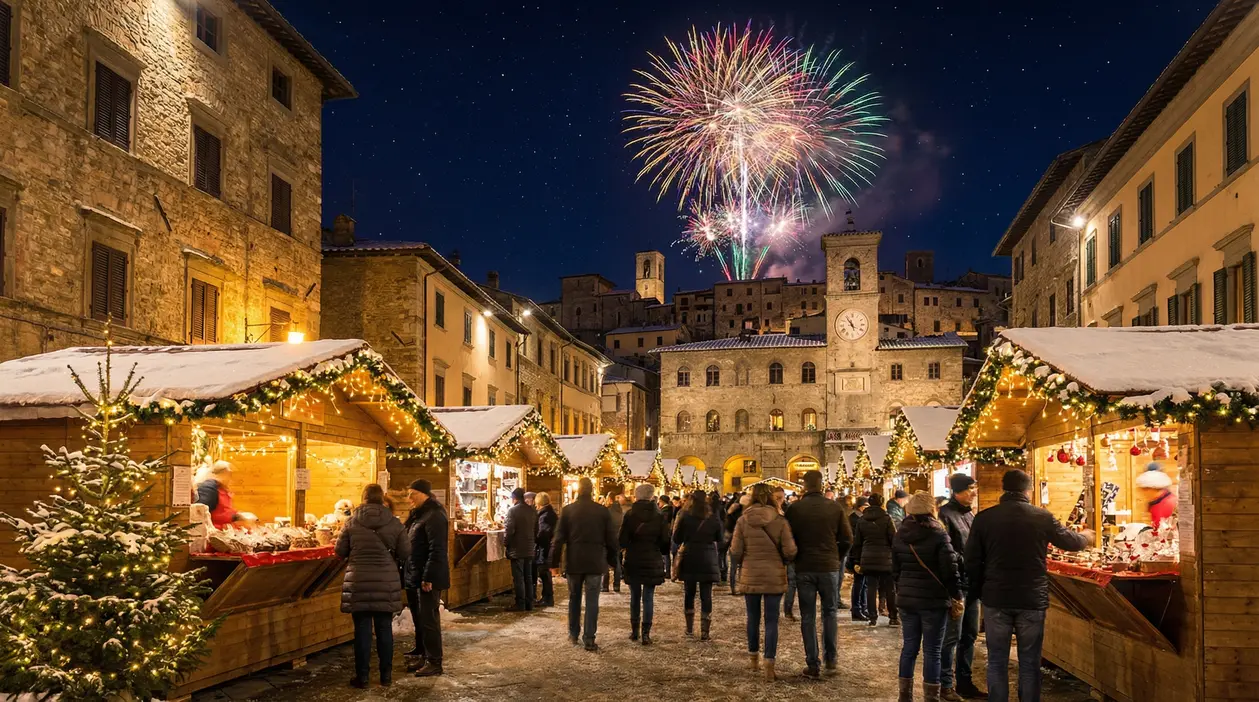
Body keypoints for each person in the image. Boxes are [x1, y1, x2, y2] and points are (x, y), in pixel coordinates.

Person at [967, 470, 1092, 702]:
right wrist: (1086, 536)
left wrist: (980, 590)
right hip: (1031, 598)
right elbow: (1071, 542)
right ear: (1028, 490)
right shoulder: (1041, 516)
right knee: (1029, 662)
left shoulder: (984, 518)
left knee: (996, 661)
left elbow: (972, 560)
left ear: (1004, 489)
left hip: (996, 598)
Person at [336, 484, 410, 688]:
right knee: (384, 629)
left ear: (364, 498)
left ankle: (362, 677)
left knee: (362, 631)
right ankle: (386, 677)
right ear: (382, 499)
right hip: (386, 582)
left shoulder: (351, 522)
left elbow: (340, 551)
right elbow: (405, 552)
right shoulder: (394, 523)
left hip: (358, 580)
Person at [893, 491, 962, 702]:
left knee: (909, 647)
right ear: (932, 509)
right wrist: (957, 595)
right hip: (933, 600)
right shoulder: (939, 534)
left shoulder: (900, 534)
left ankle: (904, 696)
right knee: (932, 650)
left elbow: (895, 569)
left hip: (907, 600)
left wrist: (902, 589)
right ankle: (931, 697)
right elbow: (950, 570)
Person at [784, 470, 852, 678]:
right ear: (821, 484)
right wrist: (836, 557)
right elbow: (847, 539)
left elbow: (787, 538)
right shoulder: (835, 507)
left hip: (804, 566)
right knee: (830, 613)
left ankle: (813, 664)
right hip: (828, 566)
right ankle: (831, 659)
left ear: (804, 485)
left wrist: (794, 558)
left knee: (808, 616)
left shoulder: (795, 509)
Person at [731, 483, 798, 682]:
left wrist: (744, 559)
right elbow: (790, 550)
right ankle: (769, 664)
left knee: (752, 617)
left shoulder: (743, 520)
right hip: (774, 575)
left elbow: (735, 551)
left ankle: (753, 659)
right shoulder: (780, 521)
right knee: (771, 620)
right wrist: (783, 558)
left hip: (751, 573)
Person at [550, 477, 617, 652]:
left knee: (574, 598)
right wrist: (612, 560)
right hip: (595, 560)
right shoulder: (602, 511)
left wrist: (553, 561)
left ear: (578, 490)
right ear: (592, 490)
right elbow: (611, 538)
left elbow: (558, 539)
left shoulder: (568, 510)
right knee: (592, 600)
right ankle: (589, 638)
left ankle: (573, 632)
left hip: (574, 560)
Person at [938, 474, 983, 700]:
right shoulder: (945, 515)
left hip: (973, 585)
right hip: (957, 586)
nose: (974, 492)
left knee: (970, 635)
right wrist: (967, 562)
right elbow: (947, 553)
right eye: (970, 488)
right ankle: (945, 684)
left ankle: (965, 682)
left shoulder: (970, 514)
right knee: (952, 637)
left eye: (974, 488)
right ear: (957, 491)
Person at [404, 479, 449, 678]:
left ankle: (434, 661)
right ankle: (423, 654)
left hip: (427, 576)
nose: (409, 498)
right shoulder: (419, 515)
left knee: (428, 619)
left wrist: (428, 576)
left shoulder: (435, 515)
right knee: (420, 617)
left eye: (412, 494)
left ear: (424, 494)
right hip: (415, 573)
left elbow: (437, 549)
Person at [620, 483, 670, 645]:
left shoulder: (630, 515)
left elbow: (622, 540)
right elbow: (665, 542)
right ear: (651, 496)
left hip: (634, 559)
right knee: (648, 597)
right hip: (652, 559)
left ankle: (634, 631)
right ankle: (646, 634)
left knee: (635, 596)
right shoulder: (659, 516)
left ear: (636, 496)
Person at [673, 488, 724, 641]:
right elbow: (719, 537)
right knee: (706, 595)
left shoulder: (685, 515)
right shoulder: (712, 516)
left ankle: (689, 628)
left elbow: (676, 538)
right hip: (707, 556)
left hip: (690, 555)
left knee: (689, 592)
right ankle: (705, 631)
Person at [852, 492, 898, 626]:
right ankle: (893, 617)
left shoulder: (862, 520)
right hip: (886, 559)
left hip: (868, 559)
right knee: (890, 589)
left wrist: (857, 561)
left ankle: (872, 617)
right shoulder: (887, 518)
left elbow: (857, 543)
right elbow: (893, 539)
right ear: (882, 503)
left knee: (871, 588)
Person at [504, 487, 538, 611]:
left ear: (514, 498)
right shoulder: (532, 511)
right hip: (529, 548)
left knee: (519, 577)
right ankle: (529, 603)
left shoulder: (512, 511)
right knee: (528, 577)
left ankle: (520, 603)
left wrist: (506, 543)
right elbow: (536, 529)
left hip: (517, 548)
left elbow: (509, 530)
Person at [771, 486, 798, 621]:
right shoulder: (769, 512)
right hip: (774, 552)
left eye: (781, 498)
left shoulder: (788, 510)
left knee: (791, 581)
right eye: (777, 498)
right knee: (776, 582)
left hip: (787, 550)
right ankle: (774, 610)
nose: (779, 500)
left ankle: (788, 609)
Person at [194, 461, 245, 529]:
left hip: (224, 530)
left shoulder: (222, 488)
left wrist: (237, 515)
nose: (231, 478)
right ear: (224, 473)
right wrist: (235, 517)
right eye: (230, 474)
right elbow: (201, 512)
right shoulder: (209, 488)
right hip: (214, 531)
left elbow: (225, 509)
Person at [1136, 463, 1177, 532]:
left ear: (1152, 488)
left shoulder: (1169, 503)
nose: (1142, 493)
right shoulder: (1154, 502)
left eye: (1144, 490)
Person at [848, 496, 870, 620]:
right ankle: (857, 609)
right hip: (857, 555)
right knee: (859, 582)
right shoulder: (855, 520)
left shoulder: (859, 518)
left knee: (863, 583)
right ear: (861, 507)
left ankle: (862, 607)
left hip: (860, 554)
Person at [534, 492, 558, 607]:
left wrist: (535, 539)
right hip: (547, 547)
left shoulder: (545, 516)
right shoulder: (550, 513)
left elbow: (543, 534)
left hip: (544, 548)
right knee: (545, 572)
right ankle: (547, 597)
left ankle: (547, 598)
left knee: (543, 572)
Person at [726, 491, 750, 595]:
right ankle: (741, 587)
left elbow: (727, 526)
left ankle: (733, 588)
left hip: (734, 542)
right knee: (742, 567)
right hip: (744, 542)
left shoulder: (732, 513)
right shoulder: (747, 515)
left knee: (734, 566)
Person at [603, 494, 626, 593]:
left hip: (607, 539)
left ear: (609, 499)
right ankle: (617, 585)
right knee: (617, 563)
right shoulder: (621, 512)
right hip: (617, 540)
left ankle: (604, 585)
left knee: (605, 562)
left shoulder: (607, 511)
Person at [710, 490, 729, 582]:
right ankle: (724, 574)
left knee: (717, 555)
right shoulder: (722, 508)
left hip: (715, 535)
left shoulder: (710, 510)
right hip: (723, 533)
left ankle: (718, 573)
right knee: (723, 555)